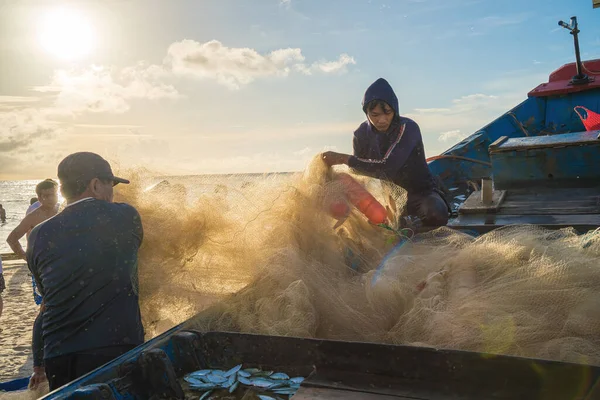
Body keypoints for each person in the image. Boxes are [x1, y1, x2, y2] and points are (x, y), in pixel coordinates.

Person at [27, 152, 144, 391]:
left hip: (58, 356)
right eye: (111, 184)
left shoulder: (38, 234)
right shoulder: (125, 215)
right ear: (95, 184)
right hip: (114, 349)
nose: (113, 193)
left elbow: (47, 295)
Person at [322, 78, 449, 227]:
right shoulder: (360, 134)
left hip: (422, 193)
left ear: (394, 110)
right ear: (366, 112)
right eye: (375, 115)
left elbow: (388, 167)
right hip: (392, 198)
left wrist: (342, 158)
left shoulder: (408, 128)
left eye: (387, 113)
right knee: (386, 224)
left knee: (436, 214)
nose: (382, 120)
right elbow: (357, 170)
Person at [6, 179, 59, 260]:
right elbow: (12, 239)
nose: (51, 198)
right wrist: (26, 258)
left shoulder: (63, 210)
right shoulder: (33, 217)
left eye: (54, 195)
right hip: (42, 261)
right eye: (47, 196)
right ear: (40, 198)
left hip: (62, 259)